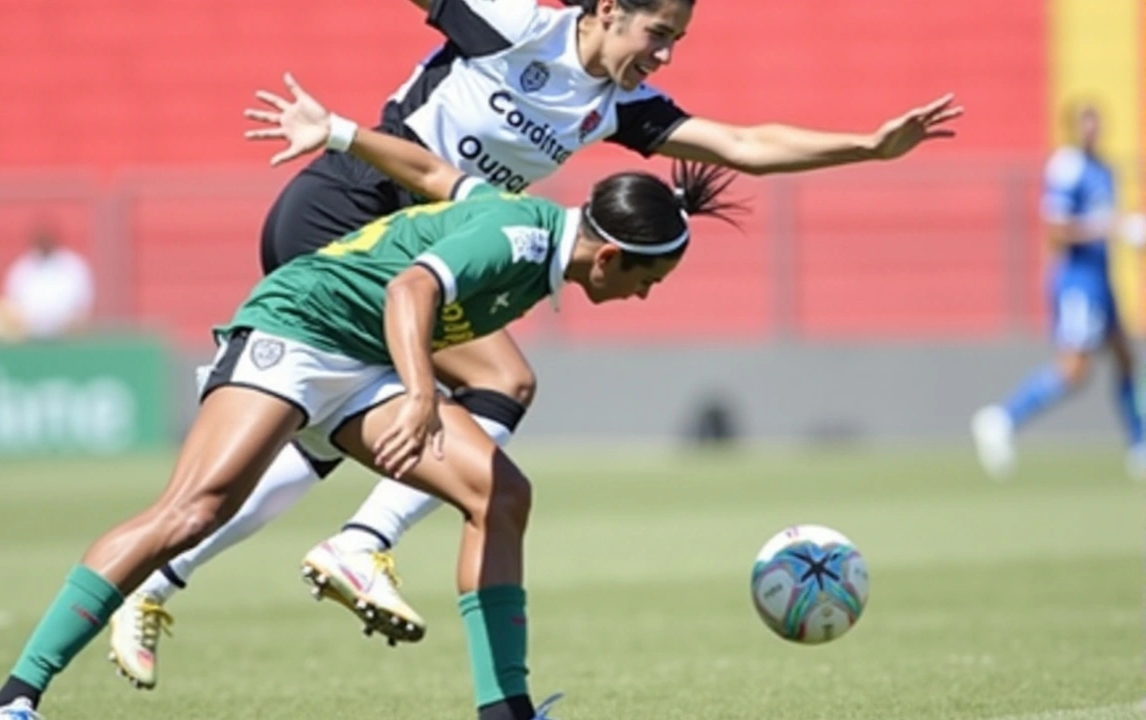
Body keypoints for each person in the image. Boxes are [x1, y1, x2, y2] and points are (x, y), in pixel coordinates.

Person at [108, 0, 963, 688]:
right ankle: (355, 545)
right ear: (606, 11)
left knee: (335, 439)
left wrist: (868, 147)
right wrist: (329, 126)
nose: (666, 55)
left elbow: (742, 144)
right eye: (660, 33)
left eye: (679, 40)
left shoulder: (618, 105)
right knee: (502, 383)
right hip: (349, 217)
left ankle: (169, 577)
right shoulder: (517, 25)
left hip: (424, 248)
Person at [0, 78, 743, 720]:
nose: (644, 298)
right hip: (298, 330)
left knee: (501, 496)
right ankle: (12, 700)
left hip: (363, 357)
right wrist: (416, 394)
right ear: (609, 256)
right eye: (648, 281)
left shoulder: (526, 229)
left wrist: (340, 130)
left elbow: (439, 178)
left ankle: (504, 712)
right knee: (192, 511)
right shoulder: (520, 240)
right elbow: (410, 291)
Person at [972, 102, 1143, 479]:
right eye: (1085, 125)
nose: (1091, 131)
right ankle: (1002, 419)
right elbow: (1057, 229)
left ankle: (1139, 443)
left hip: (1102, 277)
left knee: (1126, 357)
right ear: (1072, 128)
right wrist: (1113, 228)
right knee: (1074, 369)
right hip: (1077, 279)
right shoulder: (1067, 167)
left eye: (1096, 124)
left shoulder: (1104, 168)